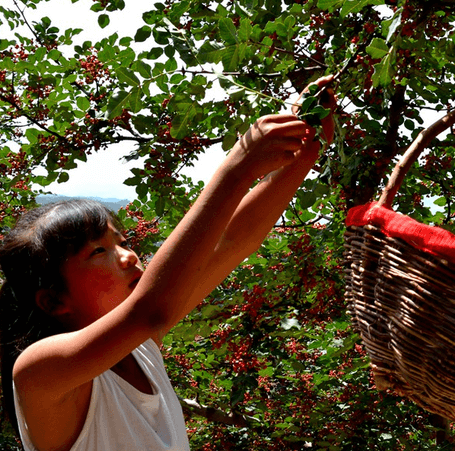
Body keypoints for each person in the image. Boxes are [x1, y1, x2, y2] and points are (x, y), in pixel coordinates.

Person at [0, 76, 335, 451]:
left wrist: (304, 153)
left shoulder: (141, 347)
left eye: (123, 242)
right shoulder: (38, 373)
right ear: (53, 300)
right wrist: (236, 167)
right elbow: (150, 310)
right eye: (98, 252)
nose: (129, 256)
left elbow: (232, 241)